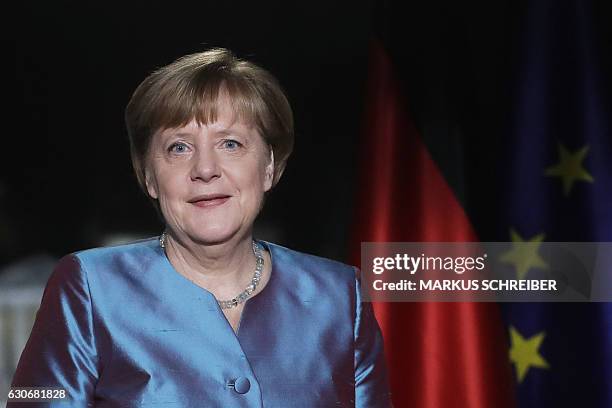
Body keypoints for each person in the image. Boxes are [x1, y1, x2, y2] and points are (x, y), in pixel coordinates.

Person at [10, 48, 391, 407]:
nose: (205, 169)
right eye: (179, 147)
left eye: (230, 143)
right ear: (148, 177)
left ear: (270, 166)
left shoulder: (341, 296)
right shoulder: (89, 287)